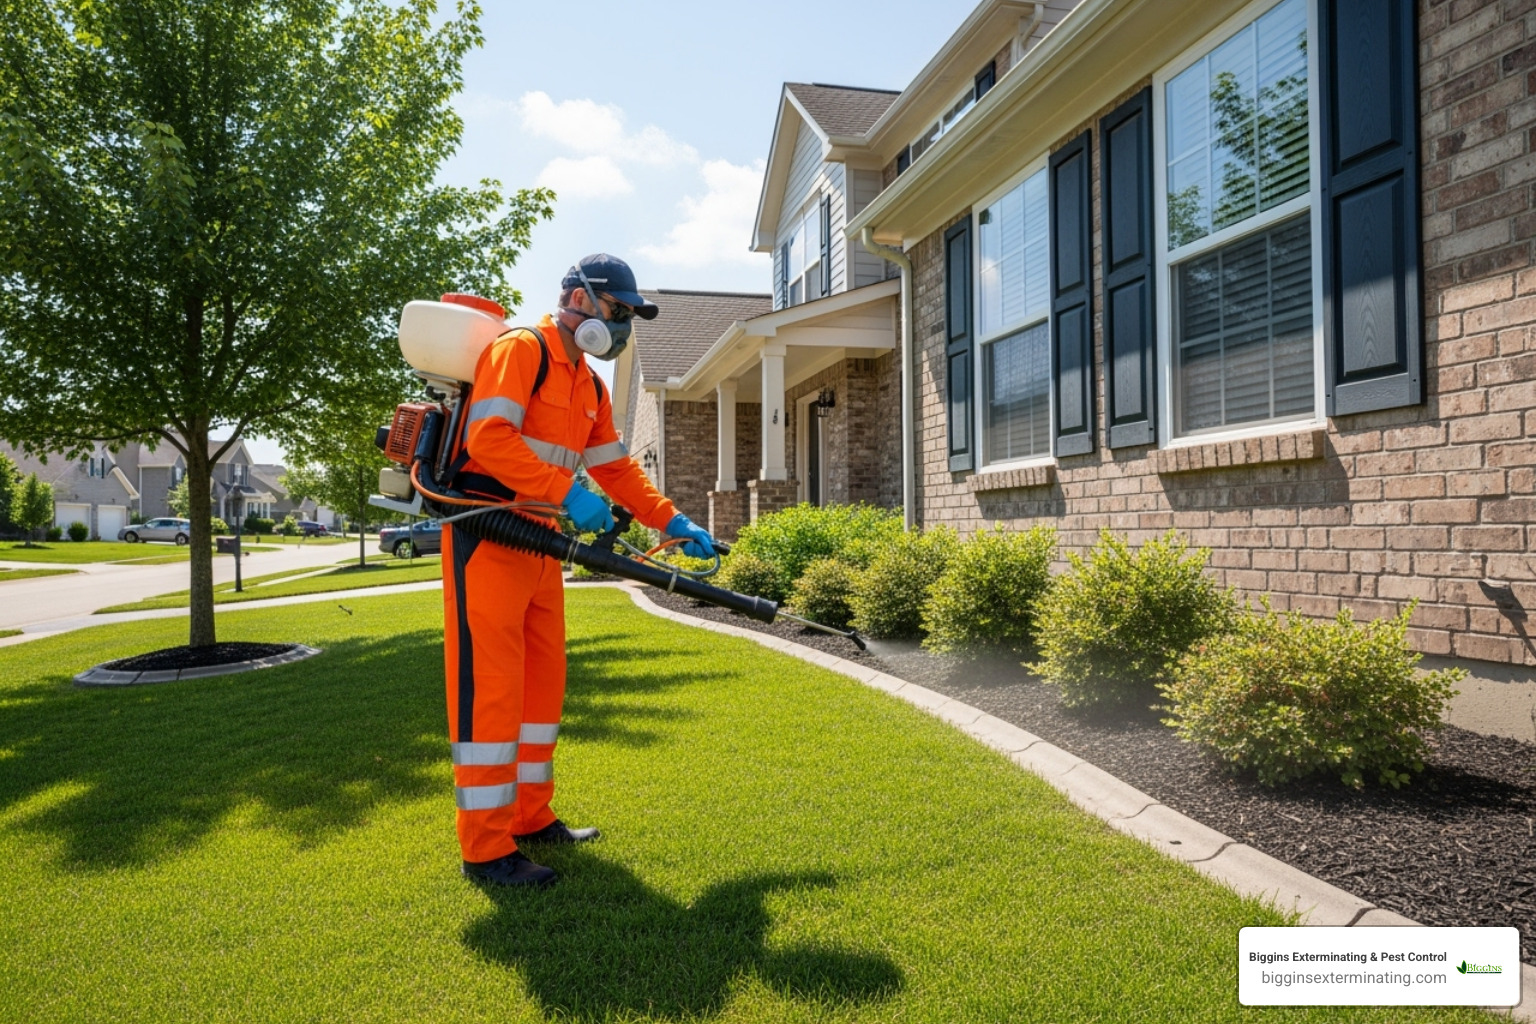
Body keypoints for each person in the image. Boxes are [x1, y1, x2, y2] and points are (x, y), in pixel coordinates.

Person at [442, 254, 715, 887]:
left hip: (539, 544)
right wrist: (564, 490)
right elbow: (489, 438)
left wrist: (671, 519)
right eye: (617, 311)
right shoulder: (522, 350)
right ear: (578, 299)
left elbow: (616, 468)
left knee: (542, 687)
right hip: (489, 535)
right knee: (493, 690)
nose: (621, 326)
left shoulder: (588, 385)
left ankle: (530, 816)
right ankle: (485, 848)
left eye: (627, 316)